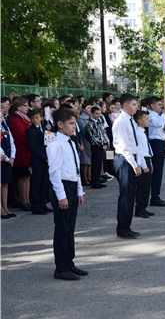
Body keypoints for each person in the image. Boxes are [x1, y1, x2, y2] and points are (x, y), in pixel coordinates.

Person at [47, 107, 87, 280]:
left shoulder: (70, 142)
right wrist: (61, 195)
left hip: (71, 186)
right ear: (60, 124)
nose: (73, 126)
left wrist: (79, 191)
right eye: (70, 123)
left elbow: (75, 170)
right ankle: (61, 268)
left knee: (70, 228)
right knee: (62, 228)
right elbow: (55, 173)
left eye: (74, 123)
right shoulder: (55, 144)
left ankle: (69, 263)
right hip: (61, 187)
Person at [112, 94, 142, 239]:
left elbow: (135, 144)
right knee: (125, 194)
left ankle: (127, 226)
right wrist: (134, 164)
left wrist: (138, 161)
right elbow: (124, 147)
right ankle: (122, 228)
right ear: (125, 105)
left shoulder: (130, 120)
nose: (137, 107)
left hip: (131, 158)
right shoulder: (120, 122)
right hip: (124, 160)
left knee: (130, 194)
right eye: (134, 104)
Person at [26, 109, 53, 214]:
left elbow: (48, 142)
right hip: (37, 160)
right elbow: (33, 147)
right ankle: (36, 205)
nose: (34, 120)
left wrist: (49, 132)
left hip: (46, 159)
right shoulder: (30, 130)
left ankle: (43, 203)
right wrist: (44, 157)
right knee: (36, 183)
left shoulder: (44, 128)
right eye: (32, 118)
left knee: (44, 182)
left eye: (37, 117)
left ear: (42, 117)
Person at [9, 97, 32, 211]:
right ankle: (23, 200)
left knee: (27, 176)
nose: (27, 107)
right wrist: (32, 143)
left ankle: (27, 200)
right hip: (21, 151)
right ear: (18, 107)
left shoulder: (26, 118)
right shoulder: (16, 119)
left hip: (27, 151)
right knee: (22, 176)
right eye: (25, 105)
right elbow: (21, 135)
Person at [147, 96, 165, 207]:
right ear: (152, 105)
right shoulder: (151, 116)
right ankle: (154, 197)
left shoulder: (159, 116)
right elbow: (158, 124)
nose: (161, 107)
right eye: (159, 105)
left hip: (160, 141)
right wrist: (164, 114)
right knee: (157, 170)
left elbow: (162, 129)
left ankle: (156, 195)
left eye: (161, 105)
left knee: (159, 170)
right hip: (155, 143)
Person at [133, 110, 154, 218]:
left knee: (147, 186)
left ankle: (144, 207)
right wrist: (144, 166)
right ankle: (139, 208)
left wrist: (150, 163)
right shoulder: (138, 133)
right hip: (142, 160)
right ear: (139, 121)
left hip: (147, 159)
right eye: (146, 119)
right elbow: (139, 151)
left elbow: (147, 149)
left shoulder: (143, 132)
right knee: (142, 186)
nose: (148, 121)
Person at [87, 106, 108, 189]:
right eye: (96, 113)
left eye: (99, 113)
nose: (98, 115)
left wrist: (105, 143)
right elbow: (93, 136)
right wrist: (101, 144)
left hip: (101, 145)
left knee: (99, 163)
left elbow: (102, 134)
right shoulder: (90, 123)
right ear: (92, 114)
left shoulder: (99, 121)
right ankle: (94, 181)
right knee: (95, 164)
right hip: (95, 145)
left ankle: (98, 179)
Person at [0, 110, 16, 219]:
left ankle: (5, 208)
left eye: (1, 117)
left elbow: (11, 142)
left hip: (7, 158)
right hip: (2, 159)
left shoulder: (5, 126)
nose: (0, 120)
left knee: (5, 184)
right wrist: (6, 158)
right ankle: (1, 210)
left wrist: (12, 157)